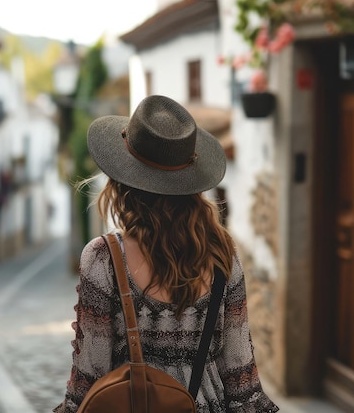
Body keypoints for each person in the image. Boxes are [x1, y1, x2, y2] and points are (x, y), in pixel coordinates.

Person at [54, 95, 278, 413]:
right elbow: (242, 382)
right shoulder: (222, 255)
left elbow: (89, 379)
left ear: (121, 182)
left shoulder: (104, 258)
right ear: (191, 181)